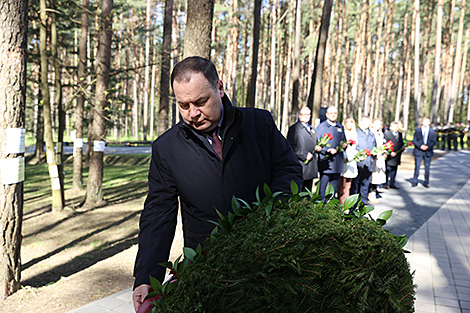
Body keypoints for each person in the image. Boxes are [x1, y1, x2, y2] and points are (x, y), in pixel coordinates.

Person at [132, 56, 303, 311]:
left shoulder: (258, 124)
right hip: (206, 270)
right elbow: (158, 215)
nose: (193, 114)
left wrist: (273, 218)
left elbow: (288, 169)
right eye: (184, 105)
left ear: (220, 88)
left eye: (201, 102)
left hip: (268, 261)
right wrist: (146, 277)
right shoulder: (166, 149)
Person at [315, 106, 348, 200]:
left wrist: (344, 146)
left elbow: (343, 142)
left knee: (333, 189)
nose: (333, 115)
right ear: (326, 115)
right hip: (326, 164)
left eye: (335, 113)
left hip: (337, 163)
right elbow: (317, 145)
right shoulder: (321, 127)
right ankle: (320, 207)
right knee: (323, 188)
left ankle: (331, 208)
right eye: (331, 113)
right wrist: (326, 151)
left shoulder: (340, 127)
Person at [287, 107, 322, 191]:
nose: (306, 116)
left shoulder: (312, 129)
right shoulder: (294, 129)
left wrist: (317, 147)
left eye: (308, 115)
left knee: (308, 191)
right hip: (300, 165)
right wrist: (304, 155)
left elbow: (314, 142)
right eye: (304, 114)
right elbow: (290, 147)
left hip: (311, 165)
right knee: (299, 191)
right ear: (299, 116)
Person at [351, 116, 376, 205]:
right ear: (360, 122)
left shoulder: (372, 134)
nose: (367, 124)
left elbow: (374, 146)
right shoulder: (356, 133)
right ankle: (354, 200)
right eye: (365, 122)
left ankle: (363, 199)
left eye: (368, 122)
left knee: (366, 182)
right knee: (356, 182)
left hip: (369, 162)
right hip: (359, 162)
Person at [411, 117, 437, 188]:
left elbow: (434, 141)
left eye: (427, 122)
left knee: (427, 167)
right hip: (419, 151)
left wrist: (427, 146)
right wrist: (420, 146)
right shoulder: (417, 130)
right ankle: (415, 181)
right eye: (424, 121)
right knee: (417, 166)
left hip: (428, 151)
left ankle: (426, 182)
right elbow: (414, 140)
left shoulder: (432, 131)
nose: (426, 123)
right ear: (422, 122)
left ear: (429, 123)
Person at [337, 117, 358, 204]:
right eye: (347, 122)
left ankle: (347, 202)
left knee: (349, 184)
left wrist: (356, 155)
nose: (349, 124)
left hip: (352, 161)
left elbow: (355, 148)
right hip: (344, 160)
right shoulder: (343, 133)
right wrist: (346, 156)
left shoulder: (354, 134)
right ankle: (341, 202)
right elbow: (341, 147)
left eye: (351, 122)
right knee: (342, 183)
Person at [370, 118, 386, 203]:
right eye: (376, 124)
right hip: (374, 156)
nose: (379, 126)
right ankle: (371, 193)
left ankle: (375, 191)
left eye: (380, 124)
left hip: (380, 157)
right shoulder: (371, 132)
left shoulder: (381, 134)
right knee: (373, 175)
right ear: (372, 124)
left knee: (378, 175)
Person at [384, 121, 405, 189]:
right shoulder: (387, 134)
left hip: (397, 155)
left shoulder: (400, 134)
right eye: (394, 126)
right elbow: (385, 144)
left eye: (397, 127)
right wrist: (390, 152)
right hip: (390, 156)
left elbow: (401, 143)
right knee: (388, 169)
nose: (396, 128)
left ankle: (392, 183)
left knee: (394, 170)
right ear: (391, 127)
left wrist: (403, 147)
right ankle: (385, 183)